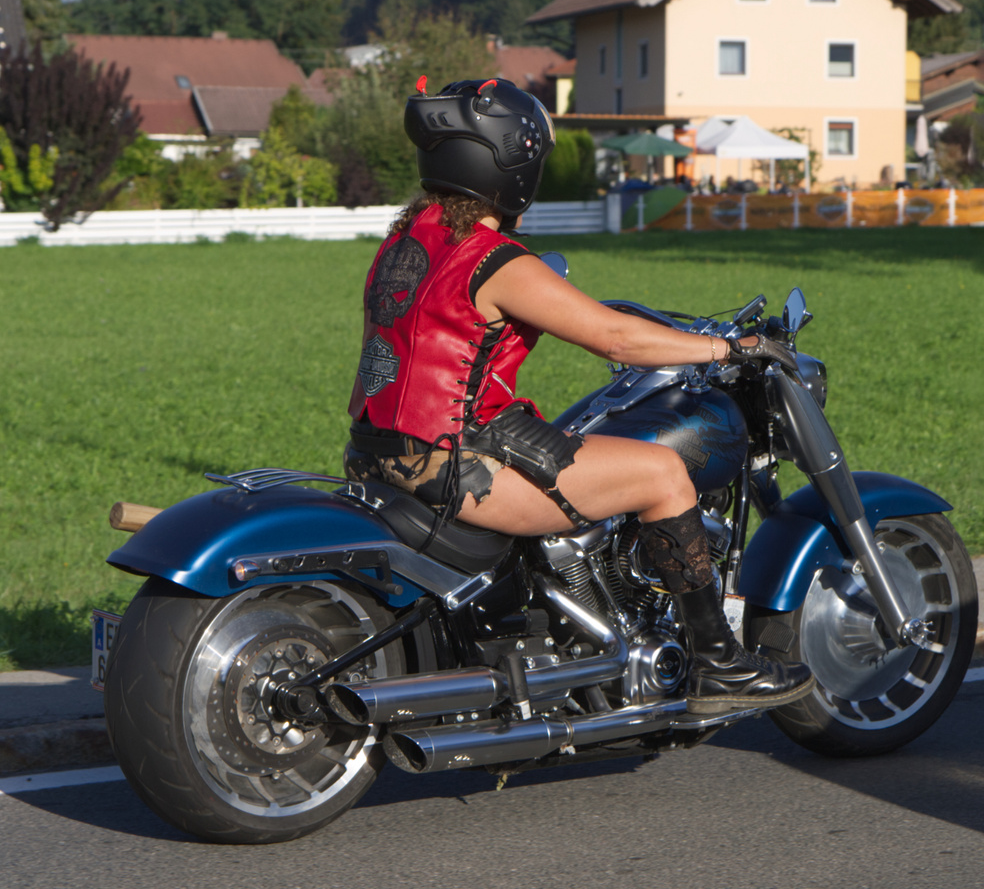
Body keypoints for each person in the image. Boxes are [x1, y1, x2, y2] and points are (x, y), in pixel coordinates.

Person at [345, 77, 813, 714]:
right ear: (513, 165)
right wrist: (732, 349)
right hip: (458, 460)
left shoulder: (406, 244)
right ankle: (717, 664)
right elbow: (617, 338)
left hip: (380, 450)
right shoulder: (495, 260)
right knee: (663, 473)